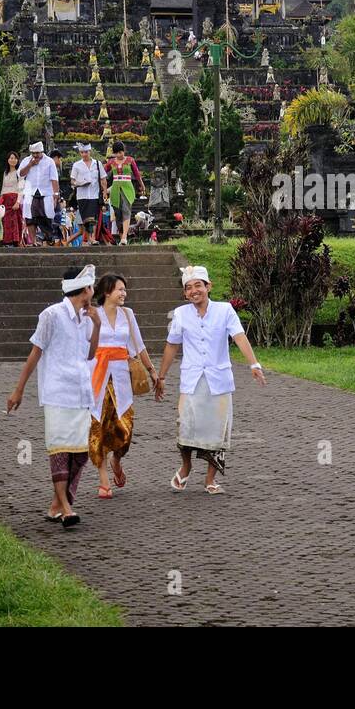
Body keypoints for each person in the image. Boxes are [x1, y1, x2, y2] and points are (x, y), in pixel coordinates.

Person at [154, 265, 266, 495]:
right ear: (185, 293)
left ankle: (210, 479)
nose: (194, 291)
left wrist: (253, 363)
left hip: (218, 380)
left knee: (217, 430)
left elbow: (238, 336)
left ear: (208, 287)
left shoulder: (225, 311)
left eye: (198, 286)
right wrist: (161, 376)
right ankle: (186, 467)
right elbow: (172, 345)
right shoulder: (181, 314)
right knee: (185, 426)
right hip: (192, 380)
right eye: (189, 288)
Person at [6, 265, 102, 528]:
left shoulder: (86, 317)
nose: (93, 293)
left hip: (82, 392)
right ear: (85, 289)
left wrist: (97, 324)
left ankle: (56, 505)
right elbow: (35, 353)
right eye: (92, 288)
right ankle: (67, 508)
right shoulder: (51, 315)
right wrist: (19, 389)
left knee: (80, 453)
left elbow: (90, 355)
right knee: (59, 451)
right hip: (58, 393)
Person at [88, 273, 156, 497]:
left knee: (124, 428)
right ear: (107, 292)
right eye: (120, 289)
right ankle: (103, 479)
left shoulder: (128, 314)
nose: (124, 293)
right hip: (97, 376)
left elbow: (138, 345)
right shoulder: (91, 315)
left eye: (125, 290)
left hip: (121, 377)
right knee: (98, 426)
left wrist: (152, 370)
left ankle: (117, 460)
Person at [105, 141, 146, 245]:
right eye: (117, 153)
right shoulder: (111, 162)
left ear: (124, 151)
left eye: (121, 152)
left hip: (127, 189)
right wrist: (103, 189)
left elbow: (137, 174)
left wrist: (142, 185)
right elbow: (102, 173)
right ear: (114, 153)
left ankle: (124, 237)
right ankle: (122, 238)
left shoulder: (130, 160)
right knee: (118, 215)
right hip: (115, 190)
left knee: (126, 210)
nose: (119, 154)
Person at [19, 142, 60, 245]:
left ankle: (48, 237)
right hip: (30, 192)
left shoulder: (49, 162)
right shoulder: (27, 160)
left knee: (46, 216)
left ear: (42, 152)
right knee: (30, 218)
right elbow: (20, 174)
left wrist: (56, 194)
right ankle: (33, 241)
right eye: (33, 153)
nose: (35, 155)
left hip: (46, 193)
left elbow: (54, 179)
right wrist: (30, 165)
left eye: (37, 153)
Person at [70, 144, 106, 247]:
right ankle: (90, 238)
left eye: (86, 152)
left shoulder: (97, 164)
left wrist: (104, 193)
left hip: (94, 195)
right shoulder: (77, 165)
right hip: (82, 196)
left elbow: (103, 179)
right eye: (82, 152)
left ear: (90, 152)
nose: (84, 154)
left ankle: (92, 238)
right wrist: (80, 183)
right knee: (86, 218)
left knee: (92, 218)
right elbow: (72, 181)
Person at [0, 151, 25, 246]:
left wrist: (18, 202)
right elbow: (3, 187)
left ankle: (15, 241)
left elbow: (21, 188)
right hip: (5, 200)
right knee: (6, 221)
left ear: (17, 160)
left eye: (14, 158)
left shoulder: (19, 173)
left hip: (14, 199)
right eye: (11, 158)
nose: (12, 160)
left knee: (15, 222)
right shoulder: (5, 173)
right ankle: (7, 241)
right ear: (8, 160)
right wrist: (0, 200)